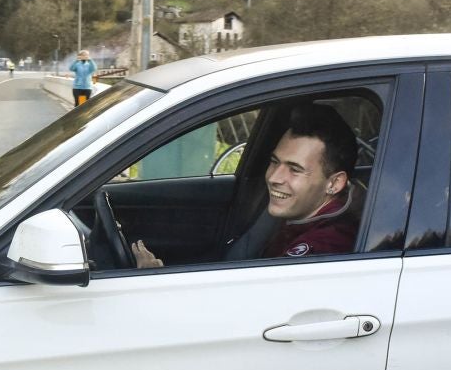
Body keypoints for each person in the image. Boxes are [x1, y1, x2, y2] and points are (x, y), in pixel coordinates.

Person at [131, 104, 359, 267]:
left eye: (295, 169)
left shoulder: (326, 247)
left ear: (334, 183)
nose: (274, 177)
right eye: (274, 162)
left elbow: (254, 314)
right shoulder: (302, 218)